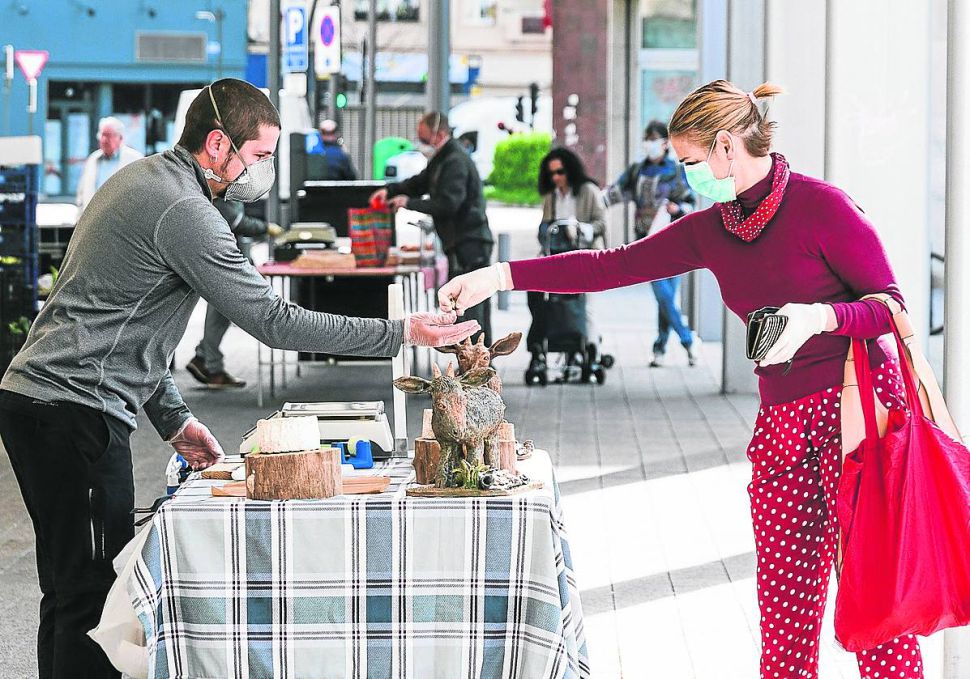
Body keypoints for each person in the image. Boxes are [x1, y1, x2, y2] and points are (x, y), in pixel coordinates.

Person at [438, 80, 925, 679]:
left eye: (690, 161)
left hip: (857, 420)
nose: (685, 174)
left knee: (877, 608)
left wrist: (821, 318)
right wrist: (499, 276)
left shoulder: (822, 207)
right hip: (783, 425)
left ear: (726, 146)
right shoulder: (713, 230)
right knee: (784, 620)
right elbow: (611, 267)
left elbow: (891, 307)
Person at [0, 78, 477, 679]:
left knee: (70, 588)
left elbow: (123, 323)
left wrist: (175, 421)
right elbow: (273, 320)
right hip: (76, 414)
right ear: (218, 144)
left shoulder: (143, 179)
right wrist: (400, 333)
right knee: (92, 597)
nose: (264, 170)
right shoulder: (185, 211)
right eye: (260, 155)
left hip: (39, 403)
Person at [370, 111, 495, 344]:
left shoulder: (455, 161)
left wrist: (408, 203)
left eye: (423, 135)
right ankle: (475, 357)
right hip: (460, 242)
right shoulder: (442, 158)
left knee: (469, 308)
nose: (420, 141)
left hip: (469, 244)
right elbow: (419, 183)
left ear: (438, 133)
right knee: (466, 307)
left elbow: (448, 204)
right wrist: (391, 190)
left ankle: (475, 359)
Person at [604, 119, 698, 367]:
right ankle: (687, 340)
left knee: (666, 299)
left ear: (665, 143)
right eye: (647, 139)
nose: (649, 144)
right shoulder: (637, 171)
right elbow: (613, 193)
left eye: (653, 139)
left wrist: (677, 208)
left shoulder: (677, 172)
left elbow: (691, 204)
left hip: (675, 243)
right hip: (647, 244)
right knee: (663, 296)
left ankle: (660, 348)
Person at [185, 197, 284, 388]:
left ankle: (204, 357)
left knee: (222, 313)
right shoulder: (222, 191)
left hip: (225, 255)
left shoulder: (231, 192)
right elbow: (235, 222)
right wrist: (265, 228)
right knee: (219, 313)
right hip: (219, 258)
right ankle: (210, 365)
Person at [530, 148, 606, 367]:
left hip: (586, 256)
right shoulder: (552, 196)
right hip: (558, 258)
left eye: (560, 172)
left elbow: (601, 223)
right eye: (551, 173)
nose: (556, 177)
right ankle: (557, 345)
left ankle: (591, 350)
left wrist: (580, 228)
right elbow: (544, 227)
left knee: (585, 306)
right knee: (549, 302)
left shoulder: (588, 191)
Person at [76, 116, 143, 213]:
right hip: (94, 217)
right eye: (102, 135)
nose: (104, 140)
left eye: (108, 135)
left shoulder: (135, 159)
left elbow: (142, 193)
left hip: (122, 218)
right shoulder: (93, 159)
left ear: (120, 138)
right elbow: (82, 192)